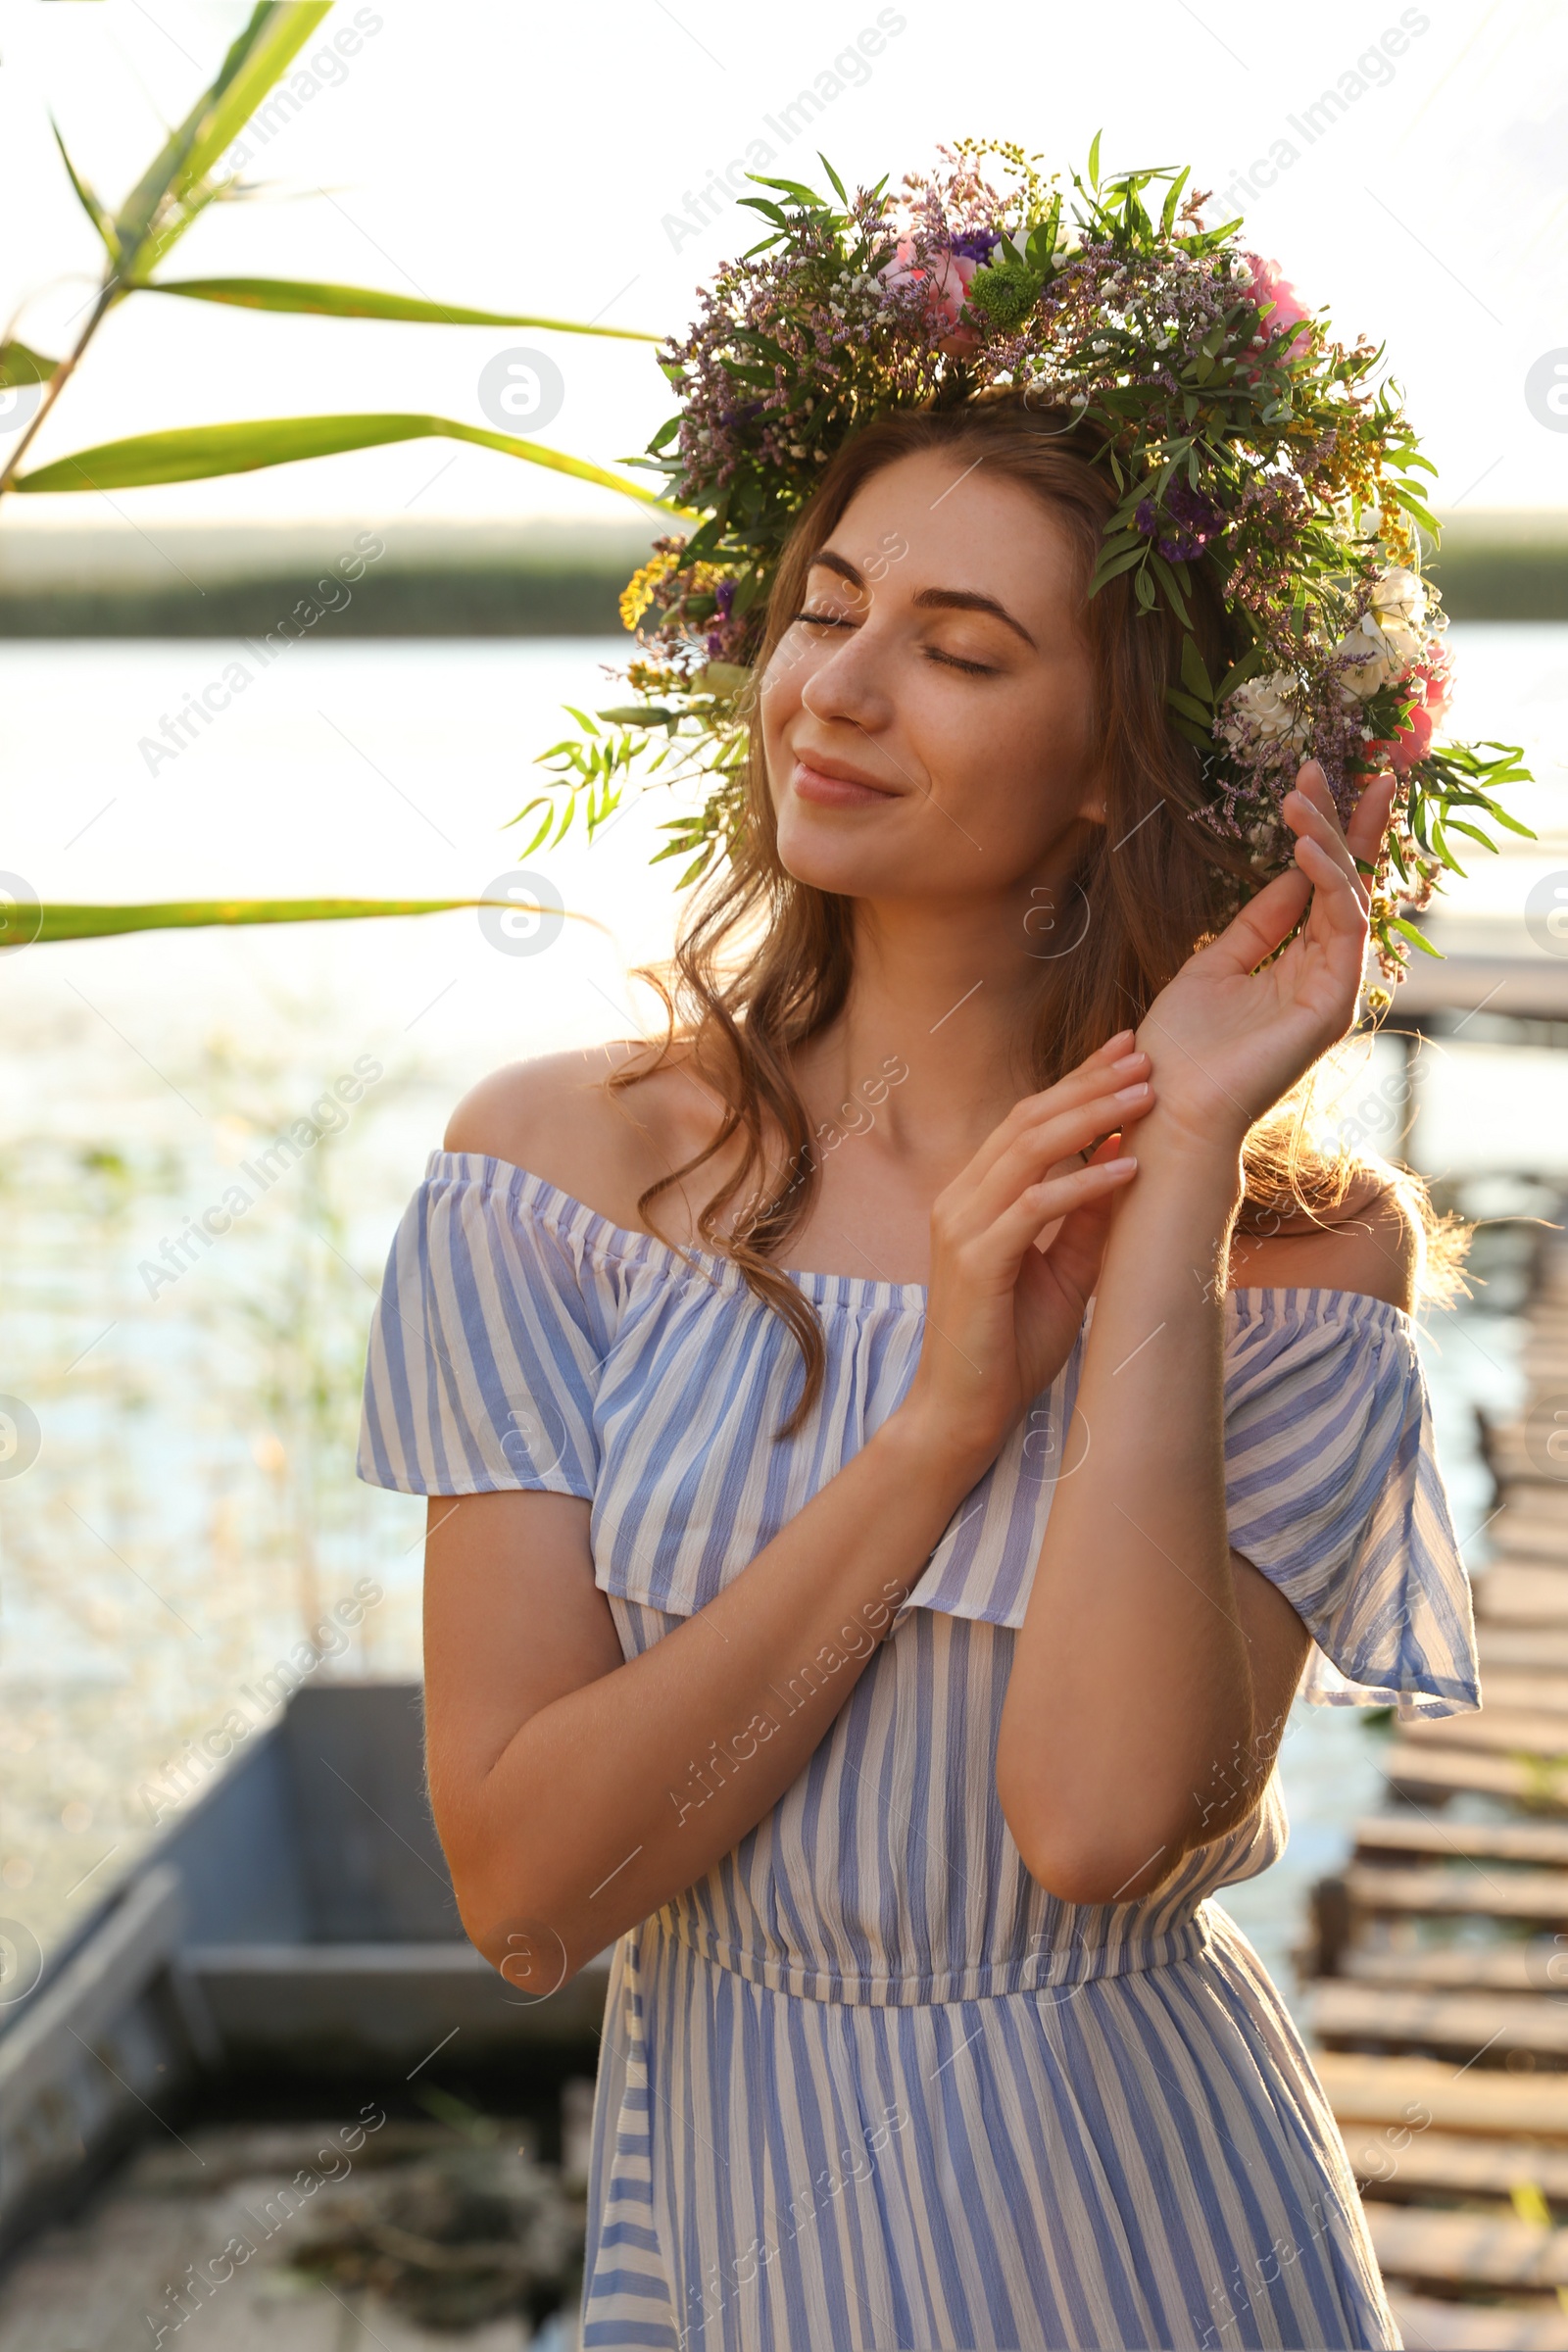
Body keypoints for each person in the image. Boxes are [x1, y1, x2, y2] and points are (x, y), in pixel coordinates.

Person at [360, 159, 1490, 2351]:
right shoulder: (554, 1176)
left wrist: (1173, 1179)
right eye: (825, 607)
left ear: (1107, 766)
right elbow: (524, 1896)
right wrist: (944, 1418)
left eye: (959, 651)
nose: (837, 692)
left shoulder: (1292, 1259)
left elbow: (1091, 1830)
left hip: (1158, 2245)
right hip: (729, 2227)